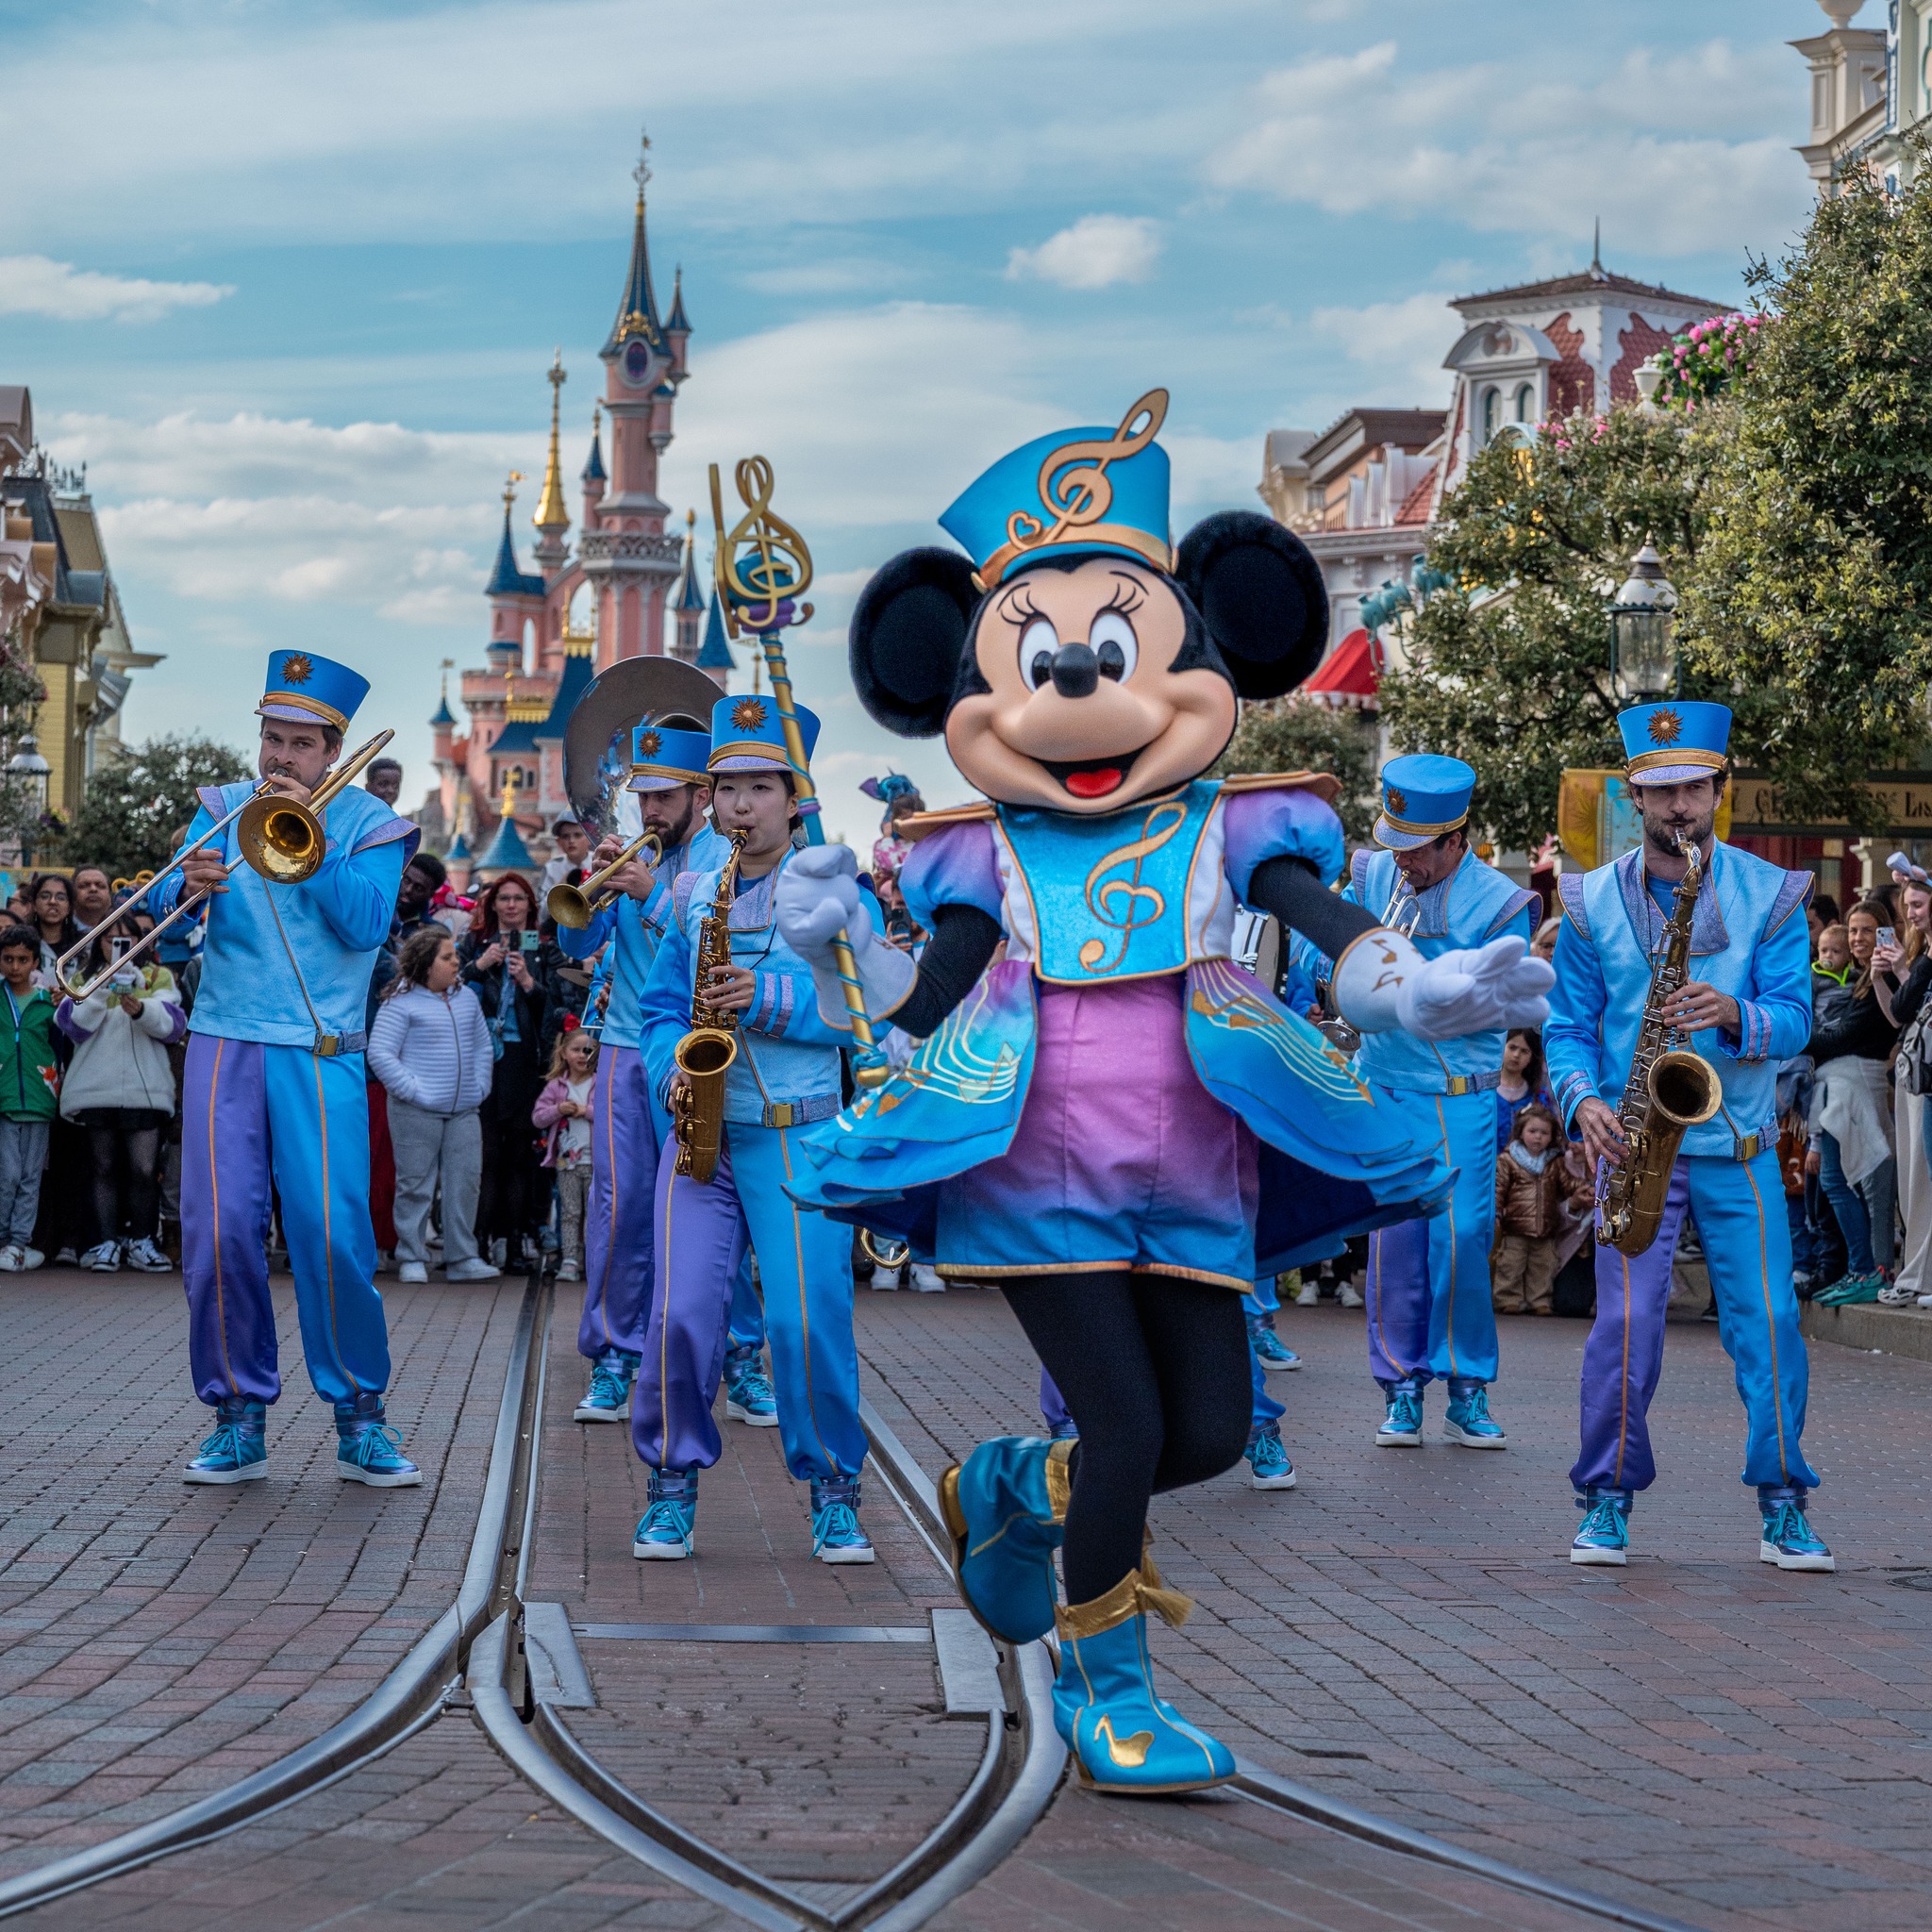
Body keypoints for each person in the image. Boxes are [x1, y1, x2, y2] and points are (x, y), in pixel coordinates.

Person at [776, 397, 1549, 1793]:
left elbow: (1337, 939)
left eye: (1115, 647)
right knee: (1127, 1427)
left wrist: (1422, 992)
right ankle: (1110, 1693)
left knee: (1203, 1428)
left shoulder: (1241, 825)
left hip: (1194, 1165)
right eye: (1039, 657)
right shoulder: (981, 852)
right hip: (1033, 1165)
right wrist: (841, 935)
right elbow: (916, 1001)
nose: (1076, 685)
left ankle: (1013, 1485)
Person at [1545, 700, 1829, 1572]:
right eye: (1661, 791)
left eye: (1693, 790)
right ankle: (1605, 1499)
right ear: (1634, 795)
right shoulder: (1591, 901)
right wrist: (1582, 1101)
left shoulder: (1771, 895)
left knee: (1774, 1320)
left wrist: (1736, 1012)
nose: (1678, 808)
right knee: (1625, 1327)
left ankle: (1784, 1501)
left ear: (1718, 791)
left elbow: (1798, 1019)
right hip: (1635, 1147)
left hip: (1738, 1143)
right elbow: (1567, 1026)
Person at [152, 649, 422, 1488]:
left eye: (303, 744)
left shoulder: (374, 826)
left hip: (320, 1051)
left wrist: (315, 844)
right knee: (220, 1231)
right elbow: (168, 937)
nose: (282, 758)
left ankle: (360, 1417)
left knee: (334, 1237)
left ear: (333, 754)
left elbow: (366, 926)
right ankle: (237, 1416)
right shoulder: (221, 808)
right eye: (274, 739)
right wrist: (181, 893)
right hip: (225, 1041)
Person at [633, 694, 883, 1566]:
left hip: (799, 1137)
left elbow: (870, 1015)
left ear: (795, 796)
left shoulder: (840, 895)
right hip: (704, 1136)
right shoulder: (696, 896)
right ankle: (670, 1485)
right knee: (680, 1317)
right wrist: (669, 1063)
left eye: (758, 788)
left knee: (808, 1322)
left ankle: (834, 1490)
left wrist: (769, 1000)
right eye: (725, 788)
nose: (738, 806)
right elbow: (660, 1009)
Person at [1325, 757, 1539, 1451]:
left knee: (1464, 1238)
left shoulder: (1501, 901)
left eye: (1417, 848)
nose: (1402, 861)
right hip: (1386, 1085)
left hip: (1460, 1101)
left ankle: (1467, 1386)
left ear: (1457, 839)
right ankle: (1401, 1389)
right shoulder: (1373, 872)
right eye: (1394, 843)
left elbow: (1507, 1002)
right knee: (1395, 1247)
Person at [552, 717, 740, 1424]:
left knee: (717, 1204)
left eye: (665, 796)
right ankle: (612, 1357)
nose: (651, 810)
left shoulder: (727, 858)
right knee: (619, 1206)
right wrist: (590, 889)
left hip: (707, 1053)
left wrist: (652, 897)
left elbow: (711, 950)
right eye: (644, 796)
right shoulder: (630, 852)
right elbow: (579, 937)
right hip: (627, 1051)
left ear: (700, 794)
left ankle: (741, 1357)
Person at [54, 916, 185, 1272]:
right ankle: (106, 1243)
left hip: (146, 1091)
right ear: (98, 942)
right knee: (103, 1168)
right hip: (96, 1089)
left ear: (142, 941)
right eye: (110, 937)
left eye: (126, 938)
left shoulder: (158, 977)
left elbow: (175, 1027)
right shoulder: (81, 978)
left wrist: (141, 1009)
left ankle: (143, 1240)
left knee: (144, 1169)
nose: (118, 944)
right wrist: (102, 985)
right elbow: (71, 1027)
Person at [367, 924, 496, 1286]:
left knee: (465, 1183)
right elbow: (380, 1053)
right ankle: (411, 1255)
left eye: (455, 955)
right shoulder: (400, 1002)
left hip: (465, 1110)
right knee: (414, 1185)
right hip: (415, 1111)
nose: (458, 962)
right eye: (448, 956)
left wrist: (480, 1084)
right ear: (426, 963)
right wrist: (413, 1090)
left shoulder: (466, 998)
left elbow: (482, 1046)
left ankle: (462, 1257)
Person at [1807, 898, 1900, 1304]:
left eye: (1868, 930)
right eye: (1855, 930)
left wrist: (1791, 1037)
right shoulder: (1858, 979)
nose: (1859, 938)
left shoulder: (1885, 979)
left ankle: (1870, 1269)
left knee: (1867, 1183)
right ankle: (1861, 1267)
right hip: (1840, 1091)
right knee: (1842, 1181)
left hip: (1861, 1088)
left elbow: (1841, 1038)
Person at [459, 873, 554, 1267]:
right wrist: (480, 966)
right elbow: (449, 987)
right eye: (504, 899)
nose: (512, 906)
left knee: (518, 1155)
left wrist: (529, 983)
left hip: (521, 1060)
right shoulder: (472, 943)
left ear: (530, 907)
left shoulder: (543, 947)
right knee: (484, 1156)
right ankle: (477, 1242)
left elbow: (556, 1008)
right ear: (493, 904)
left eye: (519, 899)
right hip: (481, 1057)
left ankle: (513, 1243)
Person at [1874, 881, 1932, 1305]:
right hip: (1915, 1075)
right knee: (1913, 1179)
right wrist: (1884, 974)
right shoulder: (1923, 953)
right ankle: (1917, 1276)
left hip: (1925, 1076)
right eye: (1906, 906)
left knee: (1924, 1177)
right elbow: (1899, 1013)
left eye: (1917, 904)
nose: (1910, 914)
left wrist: (1901, 971)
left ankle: (1919, 1277)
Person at [1491, 1104, 1590, 1316]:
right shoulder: (1507, 1160)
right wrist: (1497, 1213)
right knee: (1511, 1265)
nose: (1538, 1137)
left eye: (1544, 1133)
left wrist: (1582, 1186)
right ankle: (1508, 1298)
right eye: (1532, 1131)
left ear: (1552, 1136)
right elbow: (1498, 1189)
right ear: (1520, 1132)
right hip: (1515, 1226)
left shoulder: (1554, 1162)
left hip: (1546, 1227)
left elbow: (1567, 1183)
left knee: (1543, 1267)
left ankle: (1540, 1300)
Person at [0, 924, 57, 1271]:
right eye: (8, 959)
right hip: (5, 1098)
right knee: (7, 1175)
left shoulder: (47, 1001)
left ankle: (18, 1243)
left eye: (23, 959)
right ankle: (5, 1239)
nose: (15, 966)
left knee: (30, 1177)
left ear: (36, 961)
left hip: (38, 1099)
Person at [535, 1025, 597, 1283]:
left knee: (594, 1214)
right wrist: (558, 1109)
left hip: (596, 1162)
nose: (583, 1055)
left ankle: (592, 1260)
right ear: (563, 1053)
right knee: (570, 1212)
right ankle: (570, 1258)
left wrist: (586, 1111)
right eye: (576, 1050)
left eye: (589, 1050)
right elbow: (538, 1118)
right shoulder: (555, 1087)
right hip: (567, 1163)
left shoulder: (600, 1083)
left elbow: (611, 1114)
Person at [1495, 1027, 1554, 1152]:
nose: (1516, 1055)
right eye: (1512, 1047)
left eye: (1524, 1051)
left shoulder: (1539, 1096)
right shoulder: (1486, 1093)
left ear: (1532, 1057)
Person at [542, 816, 592, 896]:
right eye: (565, 836)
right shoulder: (551, 868)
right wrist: (560, 887)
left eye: (577, 835)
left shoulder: (600, 862)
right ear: (558, 842)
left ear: (589, 838)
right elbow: (541, 907)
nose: (571, 841)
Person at [70, 866, 114, 935]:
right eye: (84, 885)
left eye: (100, 886)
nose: (93, 889)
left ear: (109, 894)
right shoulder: (59, 929)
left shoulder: (127, 929)